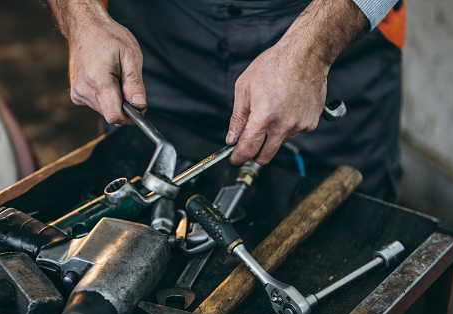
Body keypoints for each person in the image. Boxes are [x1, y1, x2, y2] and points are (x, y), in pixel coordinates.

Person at [43, 0, 405, 201]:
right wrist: (81, 18)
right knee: (130, 203)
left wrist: (311, 52)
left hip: (331, 27)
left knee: (352, 225)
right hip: (151, 35)